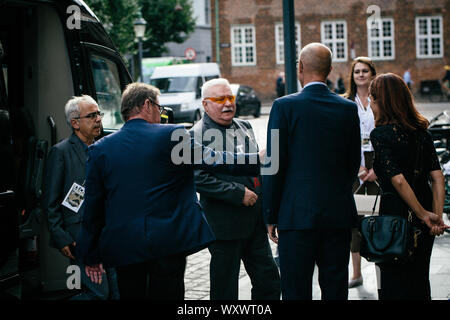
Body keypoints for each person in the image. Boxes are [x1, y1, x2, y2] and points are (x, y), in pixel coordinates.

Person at [75, 83, 261, 299]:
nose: (160, 114)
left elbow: (93, 207)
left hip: (123, 246)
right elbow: (214, 159)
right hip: (168, 243)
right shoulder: (170, 135)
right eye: (159, 108)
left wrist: (89, 254)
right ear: (147, 104)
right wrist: (258, 159)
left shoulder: (99, 149)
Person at [263, 43, 361, 300]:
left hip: (296, 215)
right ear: (329, 70)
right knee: (335, 287)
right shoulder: (348, 108)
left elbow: (273, 162)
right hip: (337, 214)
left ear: (300, 67)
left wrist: (271, 214)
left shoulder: (284, 106)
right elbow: (353, 163)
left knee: (295, 289)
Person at [190, 78, 281, 300]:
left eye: (230, 97)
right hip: (224, 227)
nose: (227, 104)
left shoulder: (244, 126)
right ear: (205, 104)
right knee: (224, 290)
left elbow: (257, 169)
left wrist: (269, 212)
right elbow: (197, 177)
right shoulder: (196, 134)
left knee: (269, 282)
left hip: (254, 224)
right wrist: (237, 193)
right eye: (219, 99)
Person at [368, 73, 448, 300]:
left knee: (393, 279)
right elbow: (438, 178)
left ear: (384, 101)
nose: (370, 104)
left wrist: (423, 215)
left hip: (395, 216)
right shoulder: (422, 132)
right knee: (419, 277)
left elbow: (398, 179)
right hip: (424, 209)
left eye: (373, 99)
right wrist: (436, 217)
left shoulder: (380, 135)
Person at [42, 95, 119, 300]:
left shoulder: (104, 148)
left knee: (115, 293)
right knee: (98, 294)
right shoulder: (61, 152)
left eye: (98, 114)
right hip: (80, 238)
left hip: (108, 235)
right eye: (91, 115)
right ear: (75, 123)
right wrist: (62, 238)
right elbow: (50, 201)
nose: (98, 119)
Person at [343, 56, 378, 288]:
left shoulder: (381, 100)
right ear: (352, 76)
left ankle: (382, 266)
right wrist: (357, 167)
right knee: (355, 219)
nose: (361, 75)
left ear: (372, 74)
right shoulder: (346, 102)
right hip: (354, 162)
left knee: (377, 215)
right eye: (357, 71)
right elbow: (341, 138)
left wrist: (378, 168)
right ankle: (356, 272)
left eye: (365, 71)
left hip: (377, 161)